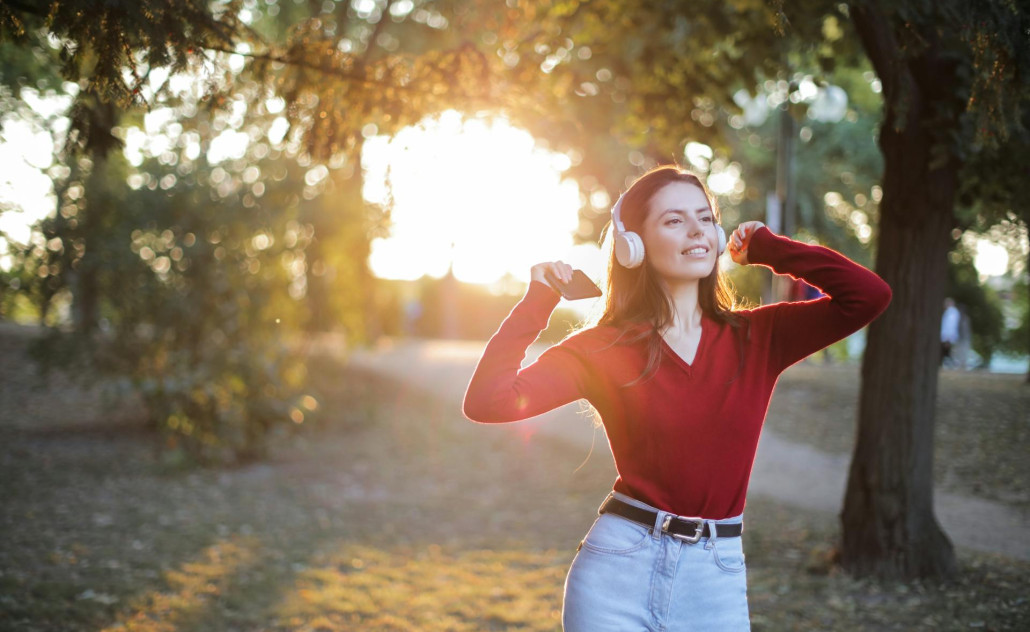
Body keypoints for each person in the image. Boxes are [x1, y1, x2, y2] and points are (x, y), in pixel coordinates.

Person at [462, 165, 891, 631]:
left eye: (705, 218)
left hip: (716, 578)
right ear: (633, 246)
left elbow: (869, 296)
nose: (697, 230)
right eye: (674, 220)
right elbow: (488, 400)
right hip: (616, 573)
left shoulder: (759, 337)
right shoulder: (602, 347)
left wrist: (771, 249)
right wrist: (538, 300)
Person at [941, 297, 960, 367]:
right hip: (949, 336)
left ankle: (951, 364)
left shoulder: (951, 312)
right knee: (948, 351)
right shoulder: (951, 312)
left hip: (948, 336)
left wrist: (947, 337)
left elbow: (950, 325)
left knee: (948, 351)